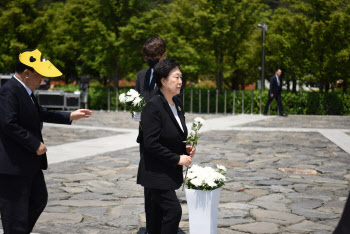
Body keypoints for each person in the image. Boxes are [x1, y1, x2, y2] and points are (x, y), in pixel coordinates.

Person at [0, 49, 92, 233]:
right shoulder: (9, 91)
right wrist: (34, 143)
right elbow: (8, 124)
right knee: (15, 215)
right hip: (13, 166)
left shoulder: (24, 90)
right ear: (27, 73)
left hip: (28, 163)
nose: (42, 80)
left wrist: (69, 115)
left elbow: (39, 112)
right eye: (39, 75)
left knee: (38, 199)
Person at [137, 59, 195, 234]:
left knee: (155, 221)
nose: (180, 82)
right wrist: (177, 159)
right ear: (163, 80)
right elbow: (151, 144)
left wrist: (186, 147)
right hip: (155, 173)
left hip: (167, 172)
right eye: (176, 77)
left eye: (181, 77)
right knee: (173, 211)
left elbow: (176, 134)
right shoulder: (153, 107)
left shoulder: (176, 104)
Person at [135, 36, 167, 233]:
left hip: (164, 139)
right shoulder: (141, 75)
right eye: (147, 58)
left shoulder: (172, 75)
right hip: (145, 139)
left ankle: (164, 225)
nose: (150, 62)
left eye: (153, 58)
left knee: (163, 184)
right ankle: (151, 227)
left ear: (163, 55)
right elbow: (137, 103)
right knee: (148, 185)